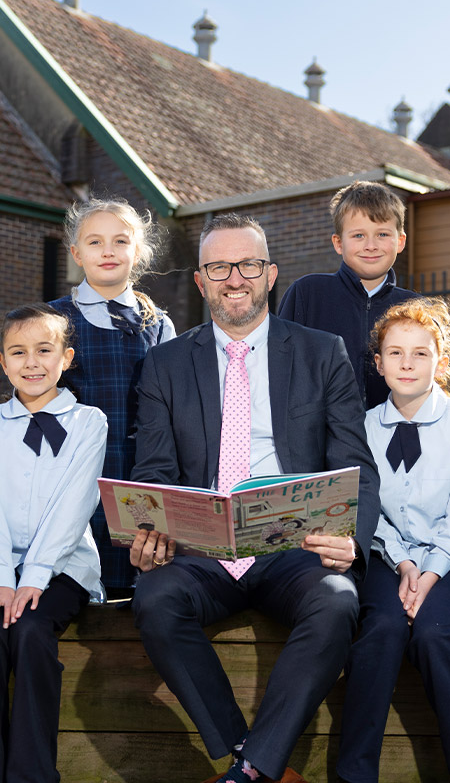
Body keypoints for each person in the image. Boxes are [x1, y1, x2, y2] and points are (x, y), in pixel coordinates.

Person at [129, 213, 380, 783]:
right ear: (200, 280)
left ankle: (248, 769)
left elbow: (357, 466)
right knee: (154, 599)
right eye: (219, 266)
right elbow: (155, 472)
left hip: (293, 548)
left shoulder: (323, 352)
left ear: (270, 275)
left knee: (338, 597)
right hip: (201, 553)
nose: (233, 278)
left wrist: (352, 541)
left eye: (247, 265)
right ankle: (254, 760)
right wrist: (148, 533)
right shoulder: (165, 364)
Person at [336, 297, 450, 783]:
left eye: (421, 353)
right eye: (396, 353)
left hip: (447, 558)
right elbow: (365, 504)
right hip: (389, 557)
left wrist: (431, 570)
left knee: (435, 634)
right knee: (380, 630)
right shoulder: (363, 427)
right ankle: (354, 772)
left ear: (440, 359)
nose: (408, 364)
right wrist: (404, 564)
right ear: (378, 364)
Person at [0, 303, 107, 783]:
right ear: (3, 363)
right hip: (1, 567)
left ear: (65, 358)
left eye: (44, 350)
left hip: (63, 567)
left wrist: (35, 577)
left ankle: (33, 774)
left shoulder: (89, 422)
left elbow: (74, 506)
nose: (32, 363)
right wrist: (4, 577)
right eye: (18, 352)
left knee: (30, 632)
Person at [50, 198, 176, 597]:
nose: (108, 251)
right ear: (76, 253)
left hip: (139, 474)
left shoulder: (157, 324)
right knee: (71, 583)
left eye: (120, 241)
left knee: (132, 589)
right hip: (72, 474)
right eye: (95, 242)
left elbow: (172, 408)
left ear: (136, 252)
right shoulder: (52, 320)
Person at [278, 181, 418, 409]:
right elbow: (279, 368)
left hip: (395, 438)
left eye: (382, 234)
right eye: (358, 236)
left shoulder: (415, 309)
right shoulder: (308, 294)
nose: (371, 245)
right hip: (322, 439)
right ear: (338, 243)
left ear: (400, 241)